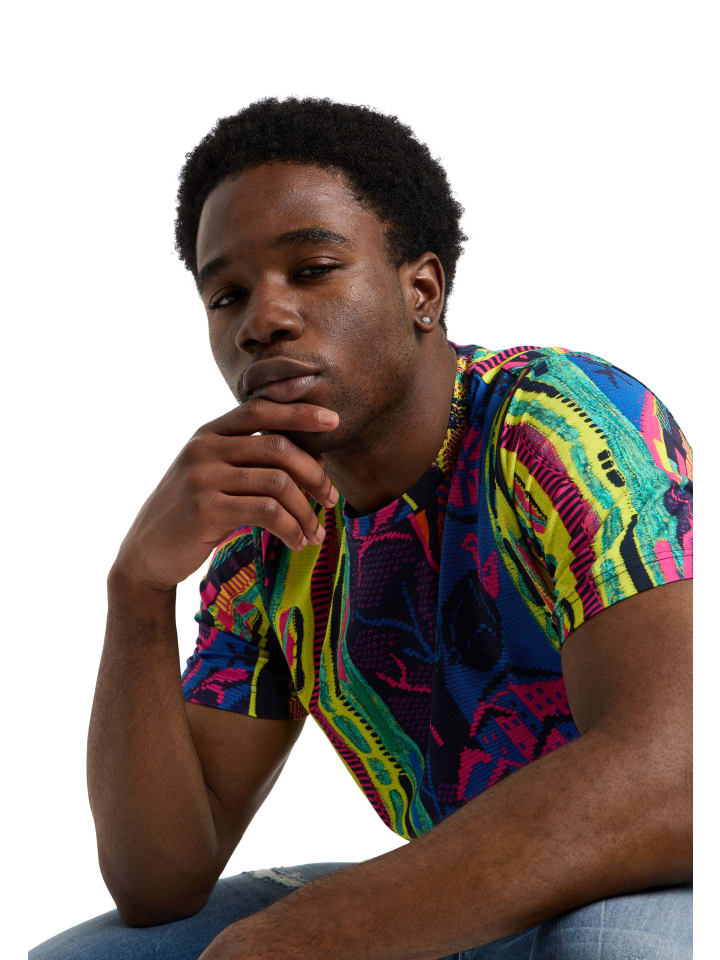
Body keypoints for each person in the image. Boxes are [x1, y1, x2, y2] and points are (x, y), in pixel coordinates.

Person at [30, 97, 692, 960]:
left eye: (312, 269)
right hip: (482, 900)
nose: (262, 321)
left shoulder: (557, 423)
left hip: (663, 873)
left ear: (423, 291)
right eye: (227, 295)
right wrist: (137, 589)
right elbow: (159, 884)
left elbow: (680, 772)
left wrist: (305, 936)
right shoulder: (266, 543)